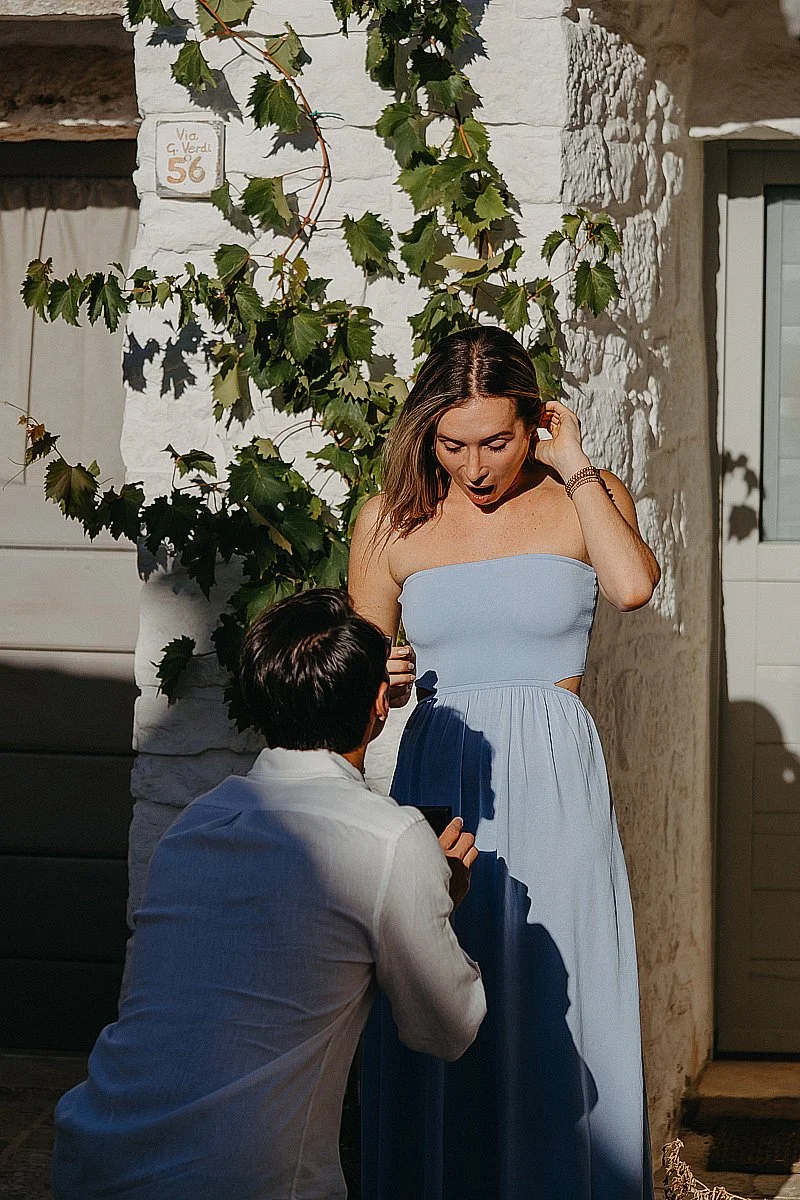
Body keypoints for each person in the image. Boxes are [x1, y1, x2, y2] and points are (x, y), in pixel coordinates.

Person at [349, 325, 661, 1200]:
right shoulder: (389, 520)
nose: (474, 467)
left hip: (556, 783)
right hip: (442, 779)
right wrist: (386, 677)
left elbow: (633, 586)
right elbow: (358, 687)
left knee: (557, 996)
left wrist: (577, 464)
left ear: (535, 422)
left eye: (495, 441)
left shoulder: (582, 497)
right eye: (451, 445)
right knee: (436, 988)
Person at [52, 588, 486, 1200]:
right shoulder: (390, 838)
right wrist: (443, 897)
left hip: (96, 1155)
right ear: (378, 706)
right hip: (244, 1182)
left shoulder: (195, 823)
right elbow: (448, 1028)